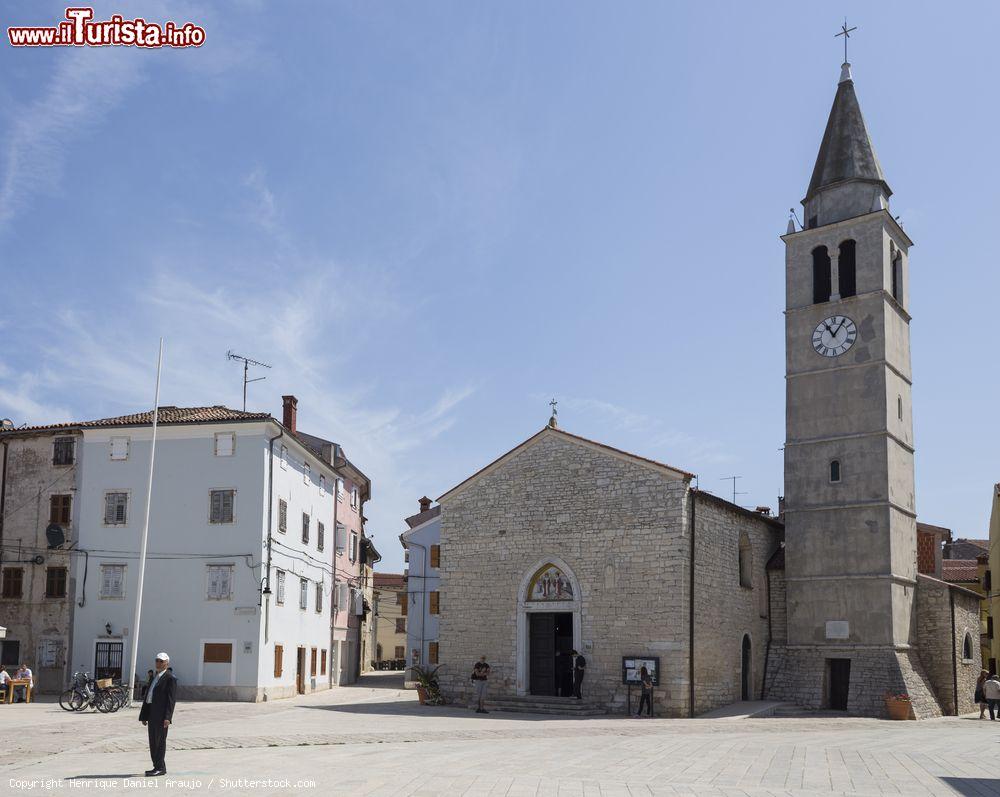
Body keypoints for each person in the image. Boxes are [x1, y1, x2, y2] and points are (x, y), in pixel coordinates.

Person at [138, 652, 176, 776]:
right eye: (157, 661)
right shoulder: (155, 676)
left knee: (160, 741)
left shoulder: (170, 678)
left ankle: (160, 767)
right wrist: (144, 715)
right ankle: (157, 766)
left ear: (167, 663)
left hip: (161, 716)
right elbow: (149, 697)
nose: (158, 663)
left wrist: (168, 717)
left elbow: (171, 700)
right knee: (153, 742)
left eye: (161, 661)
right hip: (151, 714)